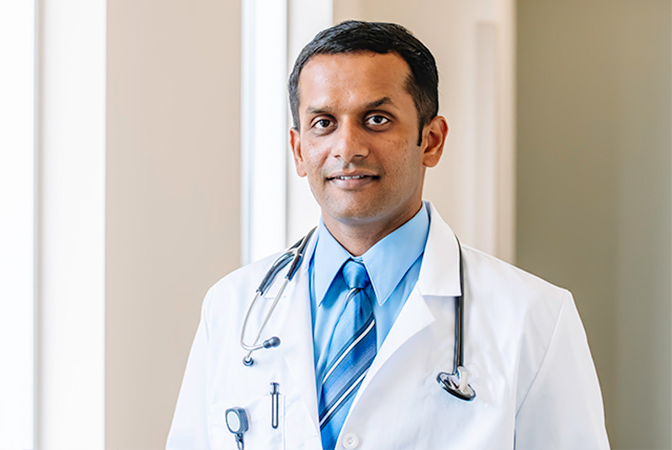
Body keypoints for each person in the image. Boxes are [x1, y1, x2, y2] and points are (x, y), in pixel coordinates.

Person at [167, 20, 609, 450]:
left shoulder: (535, 319)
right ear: (299, 150)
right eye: (323, 122)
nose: (347, 147)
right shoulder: (232, 308)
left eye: (376, 119)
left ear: (431, 141)